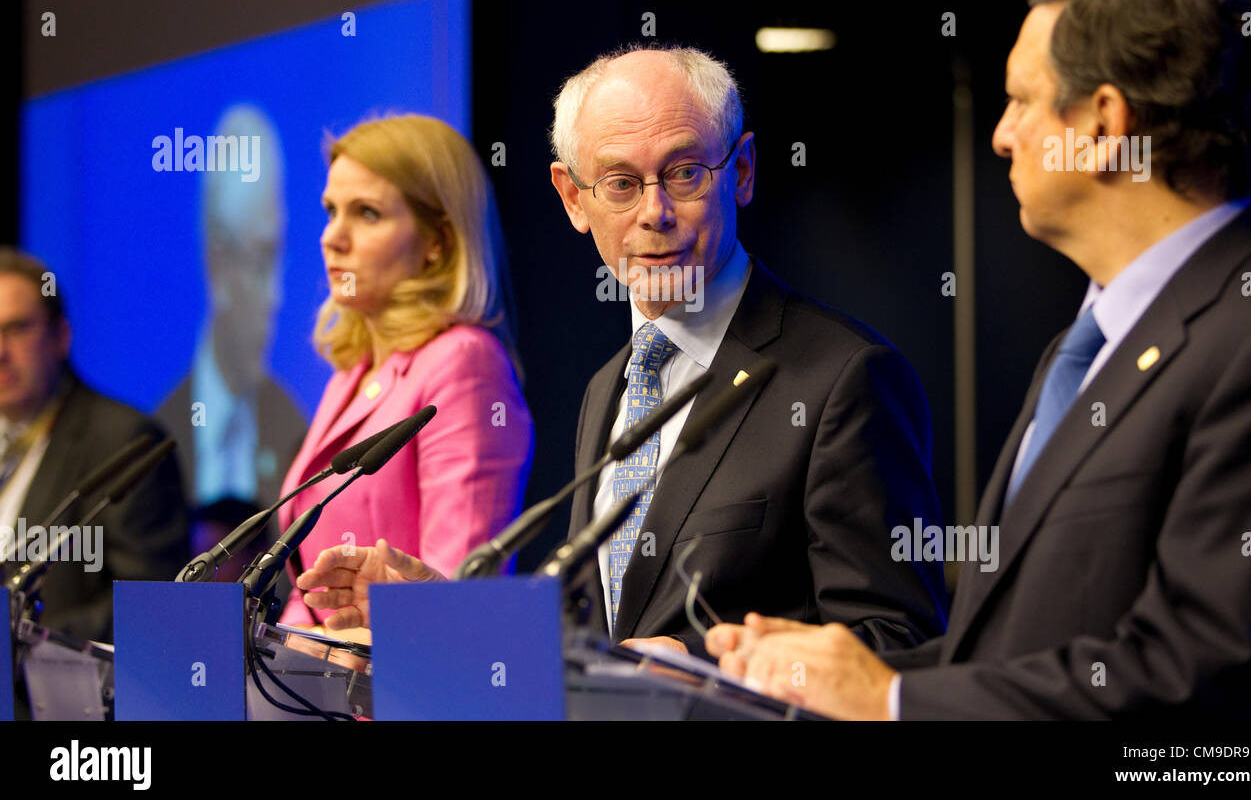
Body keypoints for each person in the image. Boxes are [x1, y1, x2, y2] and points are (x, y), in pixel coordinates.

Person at [707, 0, 1251, 719]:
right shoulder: (1085, 345)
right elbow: (1006, 654)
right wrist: (817, 671)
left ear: (1101, 123)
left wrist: (892, 701)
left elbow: (1208, 673)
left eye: (1022, 99)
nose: (1001, 134)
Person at [298, 48, 948, 659]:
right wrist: (439, 611)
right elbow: (602, 633)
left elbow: (897, 639)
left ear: (743, 172)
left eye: (685, 172)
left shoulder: (845, 379)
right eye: (619, 183)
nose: (654, 212)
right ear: (573, 198)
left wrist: (704, 665)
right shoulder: (610, 386)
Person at [275, 114, 534, 629]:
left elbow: (457, 594)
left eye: (366, 213)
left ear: (437, 239)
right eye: (330, 211)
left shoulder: (464, 363)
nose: (333, 237)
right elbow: (312, 591)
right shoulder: (352, 373)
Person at [0, 247, 189, 644]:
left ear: (60, 337)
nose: (1, 352)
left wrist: (23, 639)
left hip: (60, 699)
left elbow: (152, 600)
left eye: (17, 329)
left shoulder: (123, 441)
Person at [157, 104, 307, 515]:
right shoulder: (155, 436)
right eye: (260, 262)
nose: (276, 296)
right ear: (218, 265)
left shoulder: (297, 428)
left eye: (279, 257)